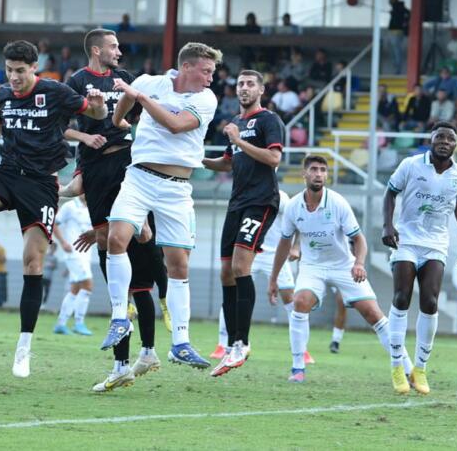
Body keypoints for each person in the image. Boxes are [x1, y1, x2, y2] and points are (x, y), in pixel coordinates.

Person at [0, 40, 106, 378]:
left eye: (20, 71)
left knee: (33, 264)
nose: (14, 77)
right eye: (9, 71)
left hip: (41, 185)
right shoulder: (3, 94)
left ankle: (23, 348)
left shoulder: (56, 92)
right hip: (7, 174)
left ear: (34, 68)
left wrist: (100, 106)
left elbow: (95, 113)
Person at [98, 42, 221, 390]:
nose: (211, 78)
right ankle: (120, 318)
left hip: (177, 187)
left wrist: (137, 98)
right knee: (116, 238)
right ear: (186, 67)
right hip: (139, 178)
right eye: (206, 71)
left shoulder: (204, 100)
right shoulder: (151, 82)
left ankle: (180, 343)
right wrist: (121, 116)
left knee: (178, 264)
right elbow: (122, 109)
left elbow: (176, 125)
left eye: (212, 72)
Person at [62, 29, 172, 391]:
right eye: (113, 47)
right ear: (96, 50)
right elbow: (59, 125)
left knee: (142, 239)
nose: (119, 52)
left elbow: (145, 112)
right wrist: (84, 138)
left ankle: (163, 307)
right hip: (96, 169)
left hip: (128, 162)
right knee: (116, 262)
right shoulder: (77, 80)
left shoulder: (126, 80)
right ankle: (126, 362)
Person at [269, 155, 412, 383]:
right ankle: (298, 367)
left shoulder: (337, 202)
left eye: (323, 170)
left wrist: (358, 263)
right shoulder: (294, 206)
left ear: (327, 175)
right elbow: (284, 243)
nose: (318, 174)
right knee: (300, 302)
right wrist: (274, 279)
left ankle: (407, 368)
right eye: (314, 169)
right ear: (304, 174)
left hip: (343, 265)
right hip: (313, 266)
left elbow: (359, 239)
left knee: (373, 314)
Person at [202, 69, 285, 377]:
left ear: (261, 90)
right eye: (240, 84)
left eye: (250, 84)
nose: (244, 88)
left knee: (240, 267)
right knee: (225, 271)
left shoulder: (268, 120)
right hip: (236, 203)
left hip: (261, 201)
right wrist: (197, 159)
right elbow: (228, 161)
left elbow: (274, 159)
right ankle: (230, 343)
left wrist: (239, 140)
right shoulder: (235, 124)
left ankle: (242, 343)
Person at [382, 122, 457, 395]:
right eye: (440, 137)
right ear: (431, 140)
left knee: (431, 301)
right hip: (407, 240)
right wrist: (388, 225)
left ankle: (419, 368)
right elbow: (390, 193)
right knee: (401, 297)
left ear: (455, 145)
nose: (444, 141)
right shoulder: (410, 165)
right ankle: (397, 366)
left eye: (450, 138)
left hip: (436, 244)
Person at [209, 190, 315, 365]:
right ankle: (222, 345)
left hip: (274, 255)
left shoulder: (280, 197)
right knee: (233, 292)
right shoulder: (246, 193)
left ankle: (302, 349)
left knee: (291, 298)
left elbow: (297, 222)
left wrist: (295, 247)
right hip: (249, 252)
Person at [51, 196, 94, 336]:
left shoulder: (93, 205)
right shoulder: (70, 206)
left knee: (75, 289)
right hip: (73, 253)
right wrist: (63, 243)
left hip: (86, 253)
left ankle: (60, 324)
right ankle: (79, 323)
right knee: (88, 285)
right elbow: (54, 223)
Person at [388, 0, 410, 75]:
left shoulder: (399, 7)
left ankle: (398, 68)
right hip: (393, 30)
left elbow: (408, 14)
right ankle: (396, 67)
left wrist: (404, 23)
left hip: (397, 31)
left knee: (397, 50)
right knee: (394, 50)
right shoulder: (396, 8)